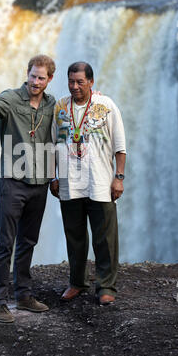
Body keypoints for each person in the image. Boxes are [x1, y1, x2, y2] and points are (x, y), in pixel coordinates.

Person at [0, 55, 56, 323]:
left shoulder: (52, 104)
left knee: (28, 242)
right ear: (26, 74)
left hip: (39, 184)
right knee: (6, 243)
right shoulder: (11, 98)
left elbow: (73, 111)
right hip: (12, 182)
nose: (35, 82)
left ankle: (25, 296)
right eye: (32, 76)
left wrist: (93, 97)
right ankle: (0, 302)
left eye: (41, 78)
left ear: (49, 79)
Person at [50, 61, 126, 305]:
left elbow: (120, 146)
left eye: (80, 82)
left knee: (105, 238)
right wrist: (53, 176)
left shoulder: (106, 105)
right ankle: (77, 282)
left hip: (100, 182)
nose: (74, 86)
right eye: (71, 81)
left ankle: (106, 287)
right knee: (74, 236)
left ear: (91, 82)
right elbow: (52, 145)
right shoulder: (60, 107)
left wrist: (119, 177)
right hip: (69, 182)